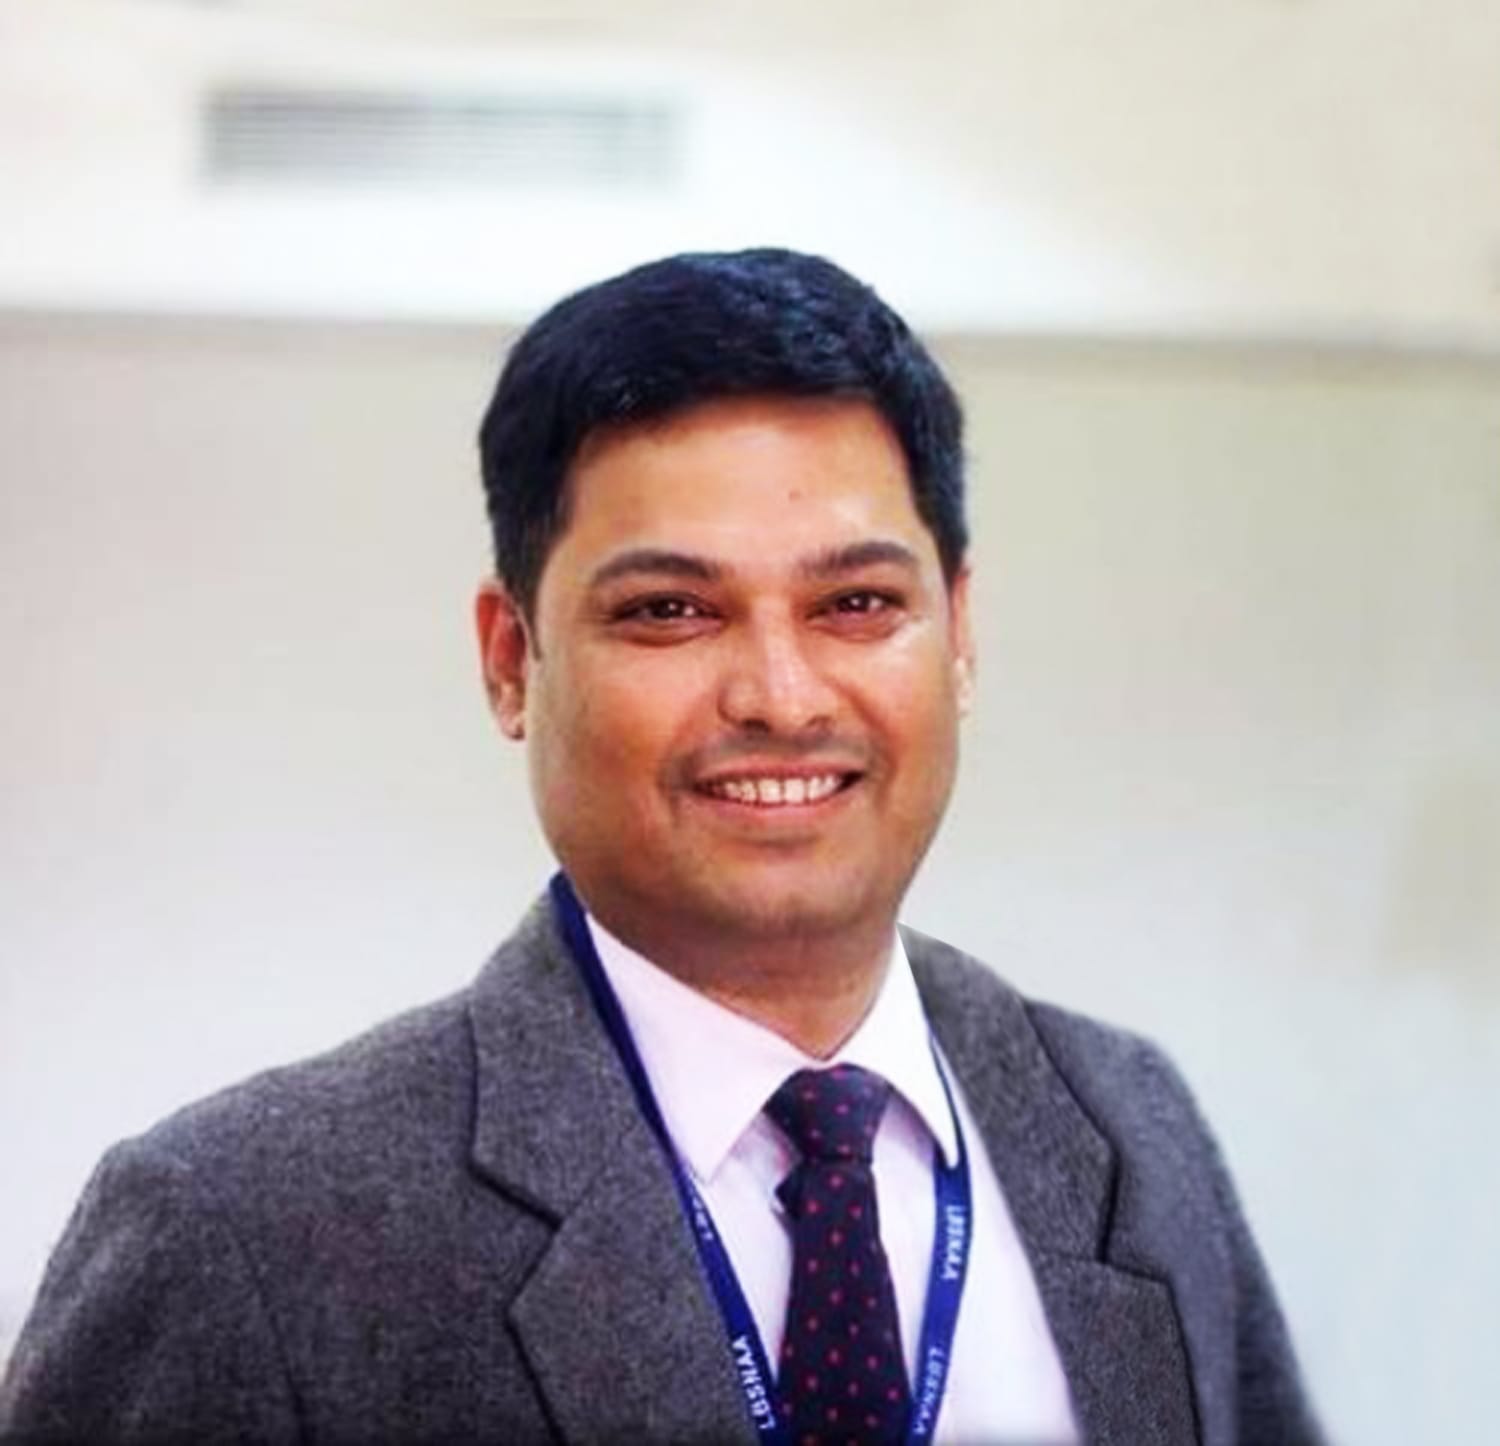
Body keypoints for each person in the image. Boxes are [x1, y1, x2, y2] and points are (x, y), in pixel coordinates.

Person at [0, 249, 1321, 1445]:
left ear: (961, 635)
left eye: (858, 601)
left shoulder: (1125, 1123)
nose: (783, 696)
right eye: (671, 611)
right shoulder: (245, 1232)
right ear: (510, 660)